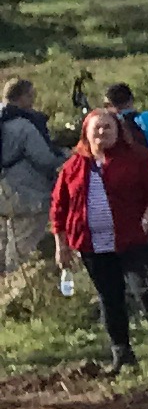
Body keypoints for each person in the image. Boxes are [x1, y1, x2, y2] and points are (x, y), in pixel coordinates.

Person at [51, 106, 148, 370]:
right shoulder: (73, 166)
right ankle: (123, 355)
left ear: (118, 131)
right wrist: (61, 245)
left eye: (108, 127)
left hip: (134, 239)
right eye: (96, 127)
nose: (102, 132)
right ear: (86, 133)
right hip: (92, 245)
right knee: (110, 298)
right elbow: (59, 207)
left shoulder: (137, 158)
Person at [0, 76, 59, 274]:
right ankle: (16, 291)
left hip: (2, 193)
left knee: (2, 245)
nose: (33, 100)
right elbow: (45, 160)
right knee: (22, 249)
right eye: (31, 95)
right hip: (26, 195)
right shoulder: (23, 126)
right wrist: (66, 156)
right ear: (22, 97)